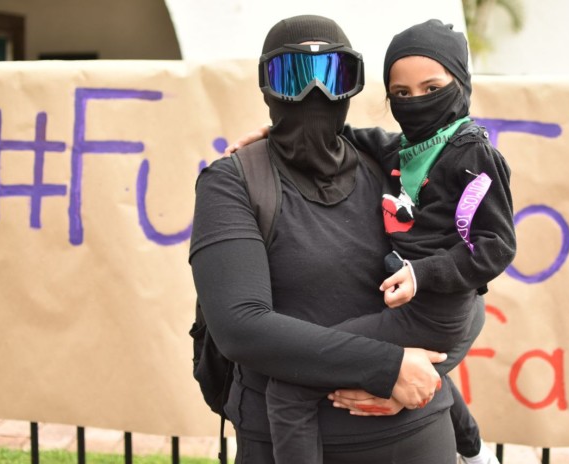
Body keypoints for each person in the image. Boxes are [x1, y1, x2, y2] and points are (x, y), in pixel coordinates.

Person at [191, 14, 482, 464]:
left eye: (332, 75)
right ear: (267, 86)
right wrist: (389, 368)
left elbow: (467, 288)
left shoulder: (397, 169)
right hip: (284, 444)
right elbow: (241, 327)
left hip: (417, 435)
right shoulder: (234, 182)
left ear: (353, 84)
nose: (315, 95)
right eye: (293, 77)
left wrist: (422, 375)